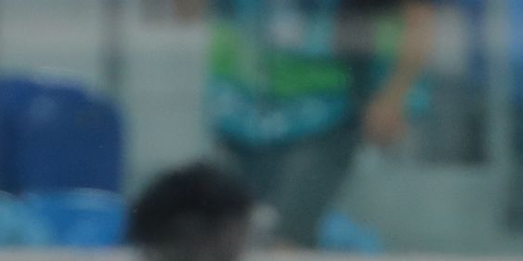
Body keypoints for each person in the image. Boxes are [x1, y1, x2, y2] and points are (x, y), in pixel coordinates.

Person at [169, 0, 436, 248]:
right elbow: (187, 13)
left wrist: (394, 96)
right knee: (230, 245)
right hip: (237, 120)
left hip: (323, 118)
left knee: (286, 245)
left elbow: (417, 17)